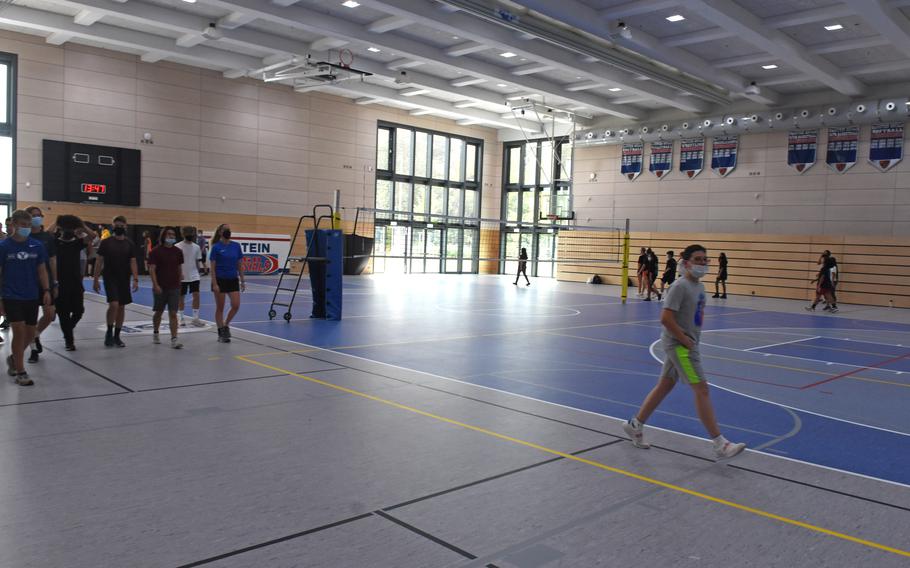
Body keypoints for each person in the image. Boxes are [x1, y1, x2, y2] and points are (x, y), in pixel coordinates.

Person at [623, 244, 746, 459]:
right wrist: (685, 340)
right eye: (698, 259)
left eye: (705, 259)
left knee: (665, 385)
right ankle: (720, 443)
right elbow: (666, 319)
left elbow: (696, 315)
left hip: (689, 343)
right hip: (680, 346)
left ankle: (635, 424)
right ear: (686, 262)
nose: (702, 263)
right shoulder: (679, 286)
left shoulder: (700, 288)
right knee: (702, 389)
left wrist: (695, 337)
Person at [0, 210, 52, 386]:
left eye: (29, 226)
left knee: (30, 334)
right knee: (19, 331)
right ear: (13, 225)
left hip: (31, 295)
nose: (26, 229)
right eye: (23, 225)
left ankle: (14, 358)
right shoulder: (4, 246)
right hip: (11, 295)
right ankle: (20, 371)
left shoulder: (37, 246)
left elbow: (42, 270)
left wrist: (46, 290)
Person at [50, 215, 95, 351]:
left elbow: (92, 236)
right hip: (60, 284)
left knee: (78, 311)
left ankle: (68, 328)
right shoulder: (55, 243)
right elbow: (47, 234)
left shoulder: (77, 243)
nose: (68, 231)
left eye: (70, 229)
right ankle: (69, 341)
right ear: (61, 229)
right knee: (63, 313)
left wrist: (81, 224)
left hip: (75, 283)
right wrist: (56, 221)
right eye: (65, 229)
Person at [93, 216, 139, 347]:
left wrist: (135, 278)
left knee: (121, 306)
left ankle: (117, 335)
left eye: (121, 225)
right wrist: (96, 279)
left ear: (126, 227)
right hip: (110, 277)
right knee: (113, 304)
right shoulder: (106, 242)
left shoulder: (129, 243)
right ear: (113, 226)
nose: (119, 227)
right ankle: (109, 332)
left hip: (124, 278)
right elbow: (99, 261)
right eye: (116, 225)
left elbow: (133, 261)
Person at [25, 206, 57, 364]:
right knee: (29, 320)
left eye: (39, 215)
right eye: (34, 215)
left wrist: (55, 282)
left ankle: (36, 335)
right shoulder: (22, 236)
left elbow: (52, 260)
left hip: (46, 281)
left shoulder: (47, 238)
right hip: (27, 282)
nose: (37, 218)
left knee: (50, 314)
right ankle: (33, 350)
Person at [148, 227, 184, 349]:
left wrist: (179, 282)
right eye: (168, 234)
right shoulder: (155, 252)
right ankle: (156, 333)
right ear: (163, 236)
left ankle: (174, 339)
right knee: (158, 312)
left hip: (174, 287)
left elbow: (179, 268)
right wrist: (155, 284)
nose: (171, 236)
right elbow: (152, 269)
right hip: (160, 287)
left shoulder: (178, 252)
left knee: (173, 313)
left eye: (173, 234)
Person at [210, 224, 245, 343]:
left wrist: (242, 280)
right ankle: (221, 331)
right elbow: (212, 267)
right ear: (220, 232)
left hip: (233, 279)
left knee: (236, 305)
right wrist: (214, 284)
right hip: (220, 280)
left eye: (229, 229)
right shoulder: (216, 247)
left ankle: (226, 325)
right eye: (225, 229)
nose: (228, 231)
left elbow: (239, 264)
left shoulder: (236, 246)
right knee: (220, 307)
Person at [177, 226, 205, 327]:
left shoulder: (196, 247)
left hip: (194, 276)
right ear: (183, 234)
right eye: (188, 233)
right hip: (182, 276)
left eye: (192, 233)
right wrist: (178, 273)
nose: (190, 235)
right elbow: (176, 263)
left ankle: (195, 318)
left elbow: (197, 262)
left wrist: (199, 273)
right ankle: (181, 318)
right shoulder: (177, 246)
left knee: (196, 296)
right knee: (181, 297)